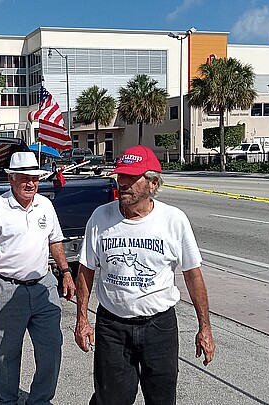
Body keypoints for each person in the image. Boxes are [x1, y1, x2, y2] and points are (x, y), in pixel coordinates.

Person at [74, 145, 215, 405]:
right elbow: (85, 270)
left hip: (159, 328)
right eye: (120, 176)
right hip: (112, 327)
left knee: (161, 399)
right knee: (110, 399)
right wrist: (82, 318)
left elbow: (193, 276)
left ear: (152, 184)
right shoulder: (100, 217)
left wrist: (204, 327)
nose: (123, 183)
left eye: (131, 177)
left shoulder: (174, 220)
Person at [0, 151, 76, 405]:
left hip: (43, 287)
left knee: (51, 350)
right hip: (6, 289)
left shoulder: (45, 205)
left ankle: (40, 400)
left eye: (35, 178)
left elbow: (55, 241)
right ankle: (6, 400)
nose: (31, 184)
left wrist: (66, 273)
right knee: (5, 354)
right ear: (12, 179)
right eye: (25, 178)